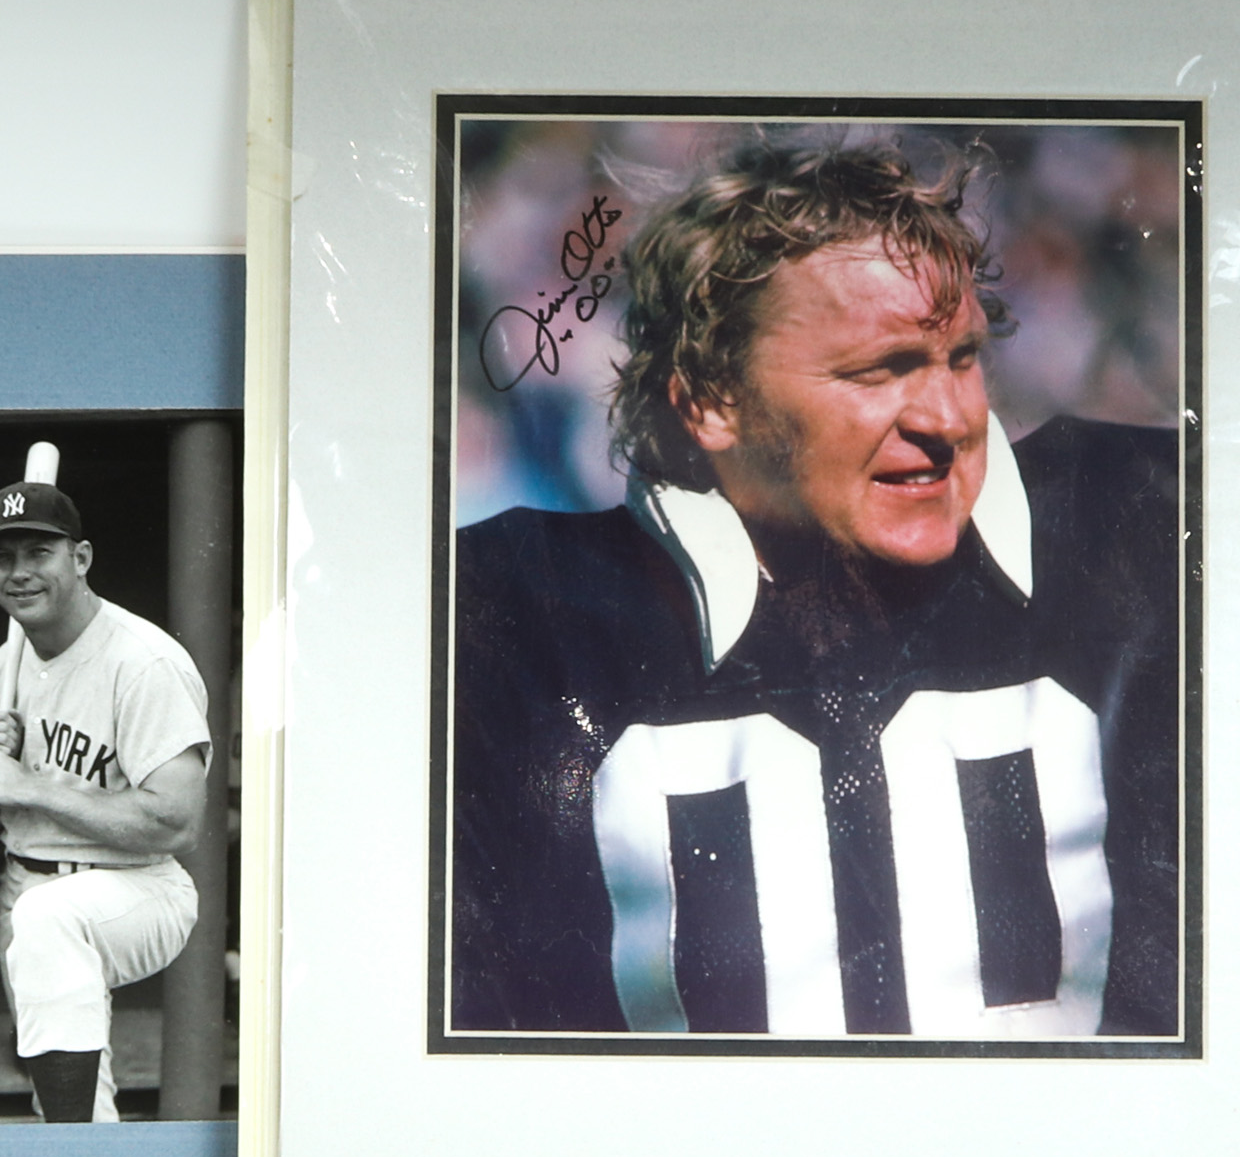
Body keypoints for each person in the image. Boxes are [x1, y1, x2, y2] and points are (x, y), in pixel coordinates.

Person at [447, 137, 1184, 1040]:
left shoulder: (1133, 533)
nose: (950, 419)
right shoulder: (531, 619)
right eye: (880, 370)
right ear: (712, 401)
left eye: (961, 358)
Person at [0, 483, 212, 1123]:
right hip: (27, 885)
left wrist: (29, 786)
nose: (19, 572)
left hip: (136, 885)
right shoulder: (7, 664)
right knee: (59, 1081)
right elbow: (5, 801)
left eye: (38, 552)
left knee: (51, 921)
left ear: (80, 558)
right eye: (3, 557)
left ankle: (73, 1153)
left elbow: (178, 821)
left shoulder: (144, 662)